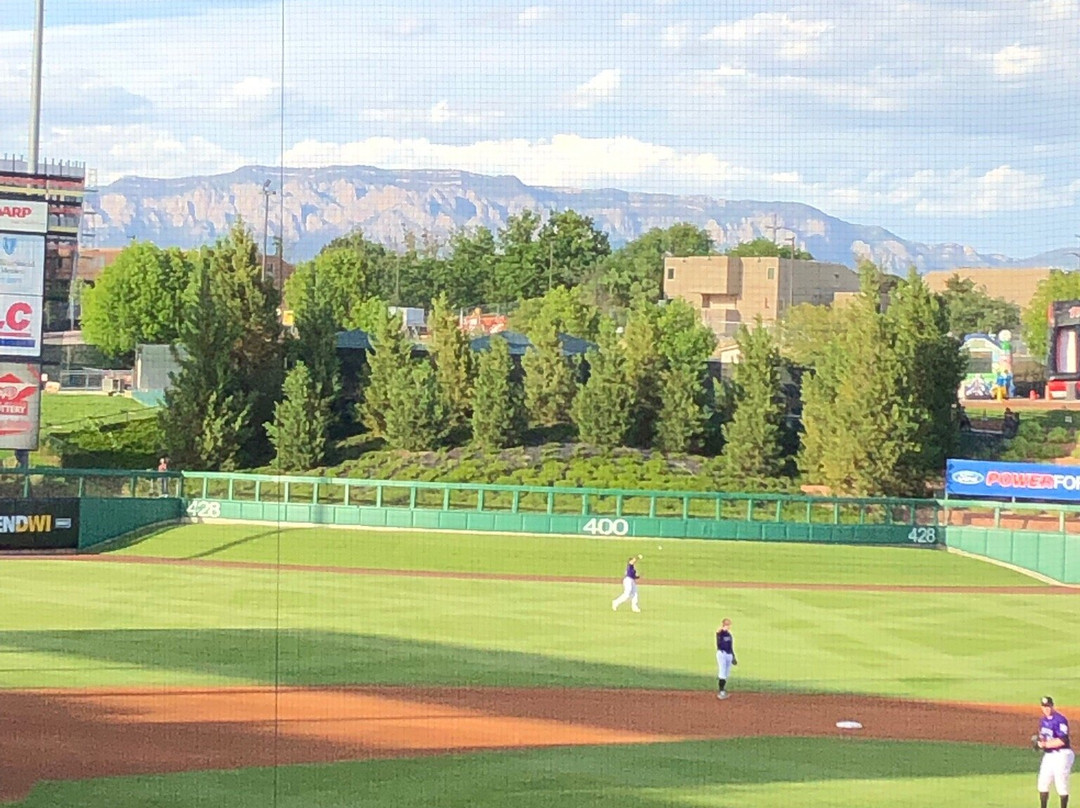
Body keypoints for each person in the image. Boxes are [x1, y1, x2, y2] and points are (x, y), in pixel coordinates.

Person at [1036, 695, 1073, 808]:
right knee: (1043, 783)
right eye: (1044, 707)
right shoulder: (1042, 720)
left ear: (1052, 706)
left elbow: (1062, 740)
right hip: (1049, 755)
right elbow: (1043, 736)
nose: (1046, 709)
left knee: (1061, 784)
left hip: (1062, 754)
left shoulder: (1060, 720)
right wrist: (1039, 742)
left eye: (1048, 706)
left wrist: (1045, 744)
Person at [715, 618, 738, 699]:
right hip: (721, 654)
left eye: (729, 624)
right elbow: (717, 632)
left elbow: (731, 647)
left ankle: (723, 690)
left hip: (729, 654)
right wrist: (722, 628)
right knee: (722, 672)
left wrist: (733, 657)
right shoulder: (720, 633)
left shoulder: (729, 635)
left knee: (726, 673)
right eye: (727, 624)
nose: (729, 626)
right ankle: (721, 692)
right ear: (724, 625)